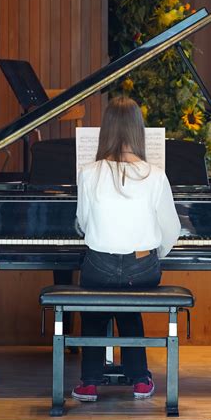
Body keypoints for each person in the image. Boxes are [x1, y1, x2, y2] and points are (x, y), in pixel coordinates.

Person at [71, 96, 181, 403]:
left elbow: (83, 222)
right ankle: (141, 381)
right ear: (138, 131)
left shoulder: (89, 173)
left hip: (100, 266)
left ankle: (90, 383)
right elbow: (171, 229)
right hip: (142, 269)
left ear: (106, 130)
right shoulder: (156, 175)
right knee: (130, 306)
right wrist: (151, 256)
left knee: (93, 309)